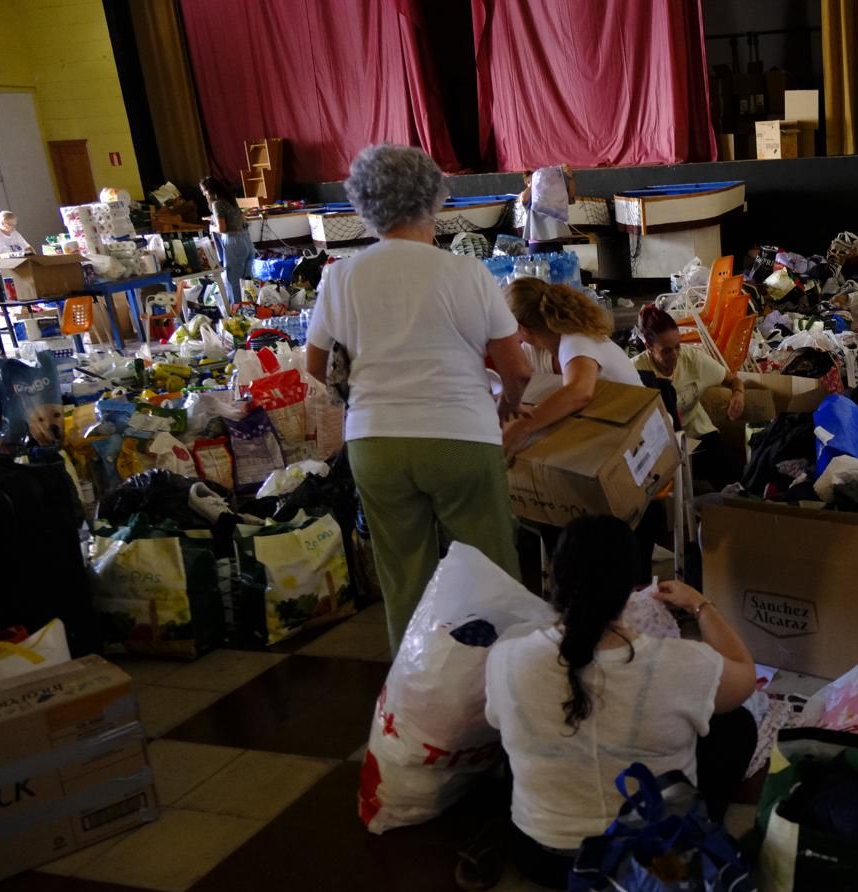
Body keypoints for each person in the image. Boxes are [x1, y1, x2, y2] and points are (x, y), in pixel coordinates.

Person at [303, 144, 534, 652]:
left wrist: (361, 397)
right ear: (435, 200)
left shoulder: (340, 276)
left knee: (403, 576)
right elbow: (516, 366)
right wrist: (507, 404)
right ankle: (500, 684)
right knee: (489, 570)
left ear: (364, 205)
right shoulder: (466, 274)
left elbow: (316, 365)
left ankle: (413, 694)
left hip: (375, 441)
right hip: (460, 434)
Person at [478, 515, 759, 890]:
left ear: (553, 578)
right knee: (735, 723)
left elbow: (502, 723)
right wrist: (699, 605)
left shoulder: (507, 656)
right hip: (650, 864)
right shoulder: (682, 664)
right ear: (630, 589)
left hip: (542, 860)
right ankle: (700, 830)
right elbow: (745, 673)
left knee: (524, 722)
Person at [501, 277, 641, 454]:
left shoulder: (576, 339)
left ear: (522, 329)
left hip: (641, 435)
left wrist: (521, 427)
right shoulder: (536, 350)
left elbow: (579, 392)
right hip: (607, 432)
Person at [632, 304, 748, 489]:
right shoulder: (635, 372)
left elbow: (734, 381)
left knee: (731, 483)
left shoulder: (693, 359)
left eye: (677, 347)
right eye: (666, 351)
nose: (675, 355)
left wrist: (738, 394)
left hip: (696, 430)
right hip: (659, 443)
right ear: (649, 347)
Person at [200, 176, 253, 307]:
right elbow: (243, 221)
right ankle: (251, 308)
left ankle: (237, 312)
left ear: (208, 191)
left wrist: (211, 227)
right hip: (246, 239)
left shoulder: (217, 204)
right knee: (247, 280)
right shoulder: (231, 201)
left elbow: (222, 229)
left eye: (204, 192)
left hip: (233, 241)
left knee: (233, 280)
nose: (204, 195)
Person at [519, 164, 574, 253]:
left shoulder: (553, 194)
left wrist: (570, 178)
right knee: (535, 266)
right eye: (530, 181)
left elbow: (570, 196)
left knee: (557, 266)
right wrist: (535, 183)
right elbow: (523, 199)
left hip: (555, 239)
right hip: (536, 241)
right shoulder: (529, 196)